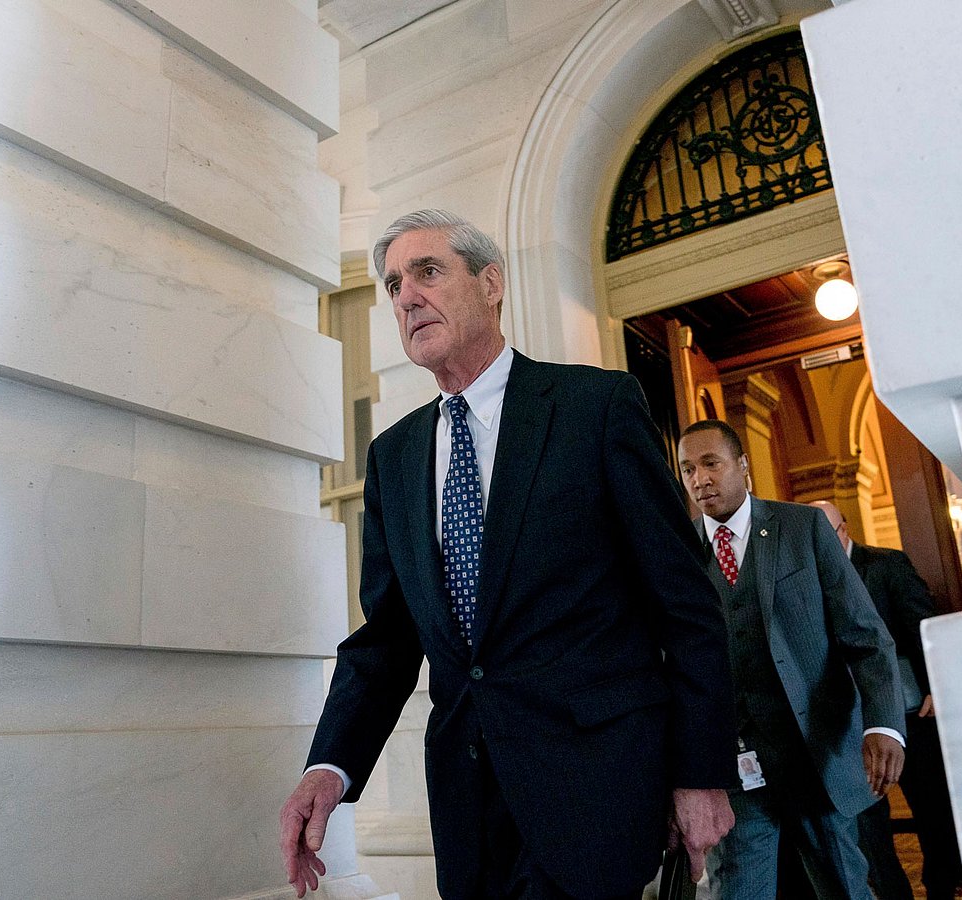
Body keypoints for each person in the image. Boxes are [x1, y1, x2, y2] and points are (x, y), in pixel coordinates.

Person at [279, 210, 738, 900]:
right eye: (394, 284)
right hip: (470, 810)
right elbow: (389, 639)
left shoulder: (595, 408)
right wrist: (330, 766)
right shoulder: (394, 457)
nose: (406, 296)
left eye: (427, 272)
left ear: (490, 284)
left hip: (596, 790)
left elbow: (686, 605)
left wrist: (700, 772)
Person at [676, 420, 906, 900]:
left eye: (711, 463)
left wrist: (883, 725)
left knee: (845, 889)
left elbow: (865, 636)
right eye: (688, 469)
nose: (700, 479)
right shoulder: (677, 553)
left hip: (815, 756)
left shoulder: (803, 528)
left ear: (743, 465)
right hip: (735, 771)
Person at [811, 501, 962, 900]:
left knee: (932, 810)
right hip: (850, 722)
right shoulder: (807, 578)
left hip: (910, 713)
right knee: (869, 825)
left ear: (845, 530)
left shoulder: (886, 565)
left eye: (828, 534)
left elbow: (921, 624)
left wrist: (936, 684)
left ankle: (940, 888)